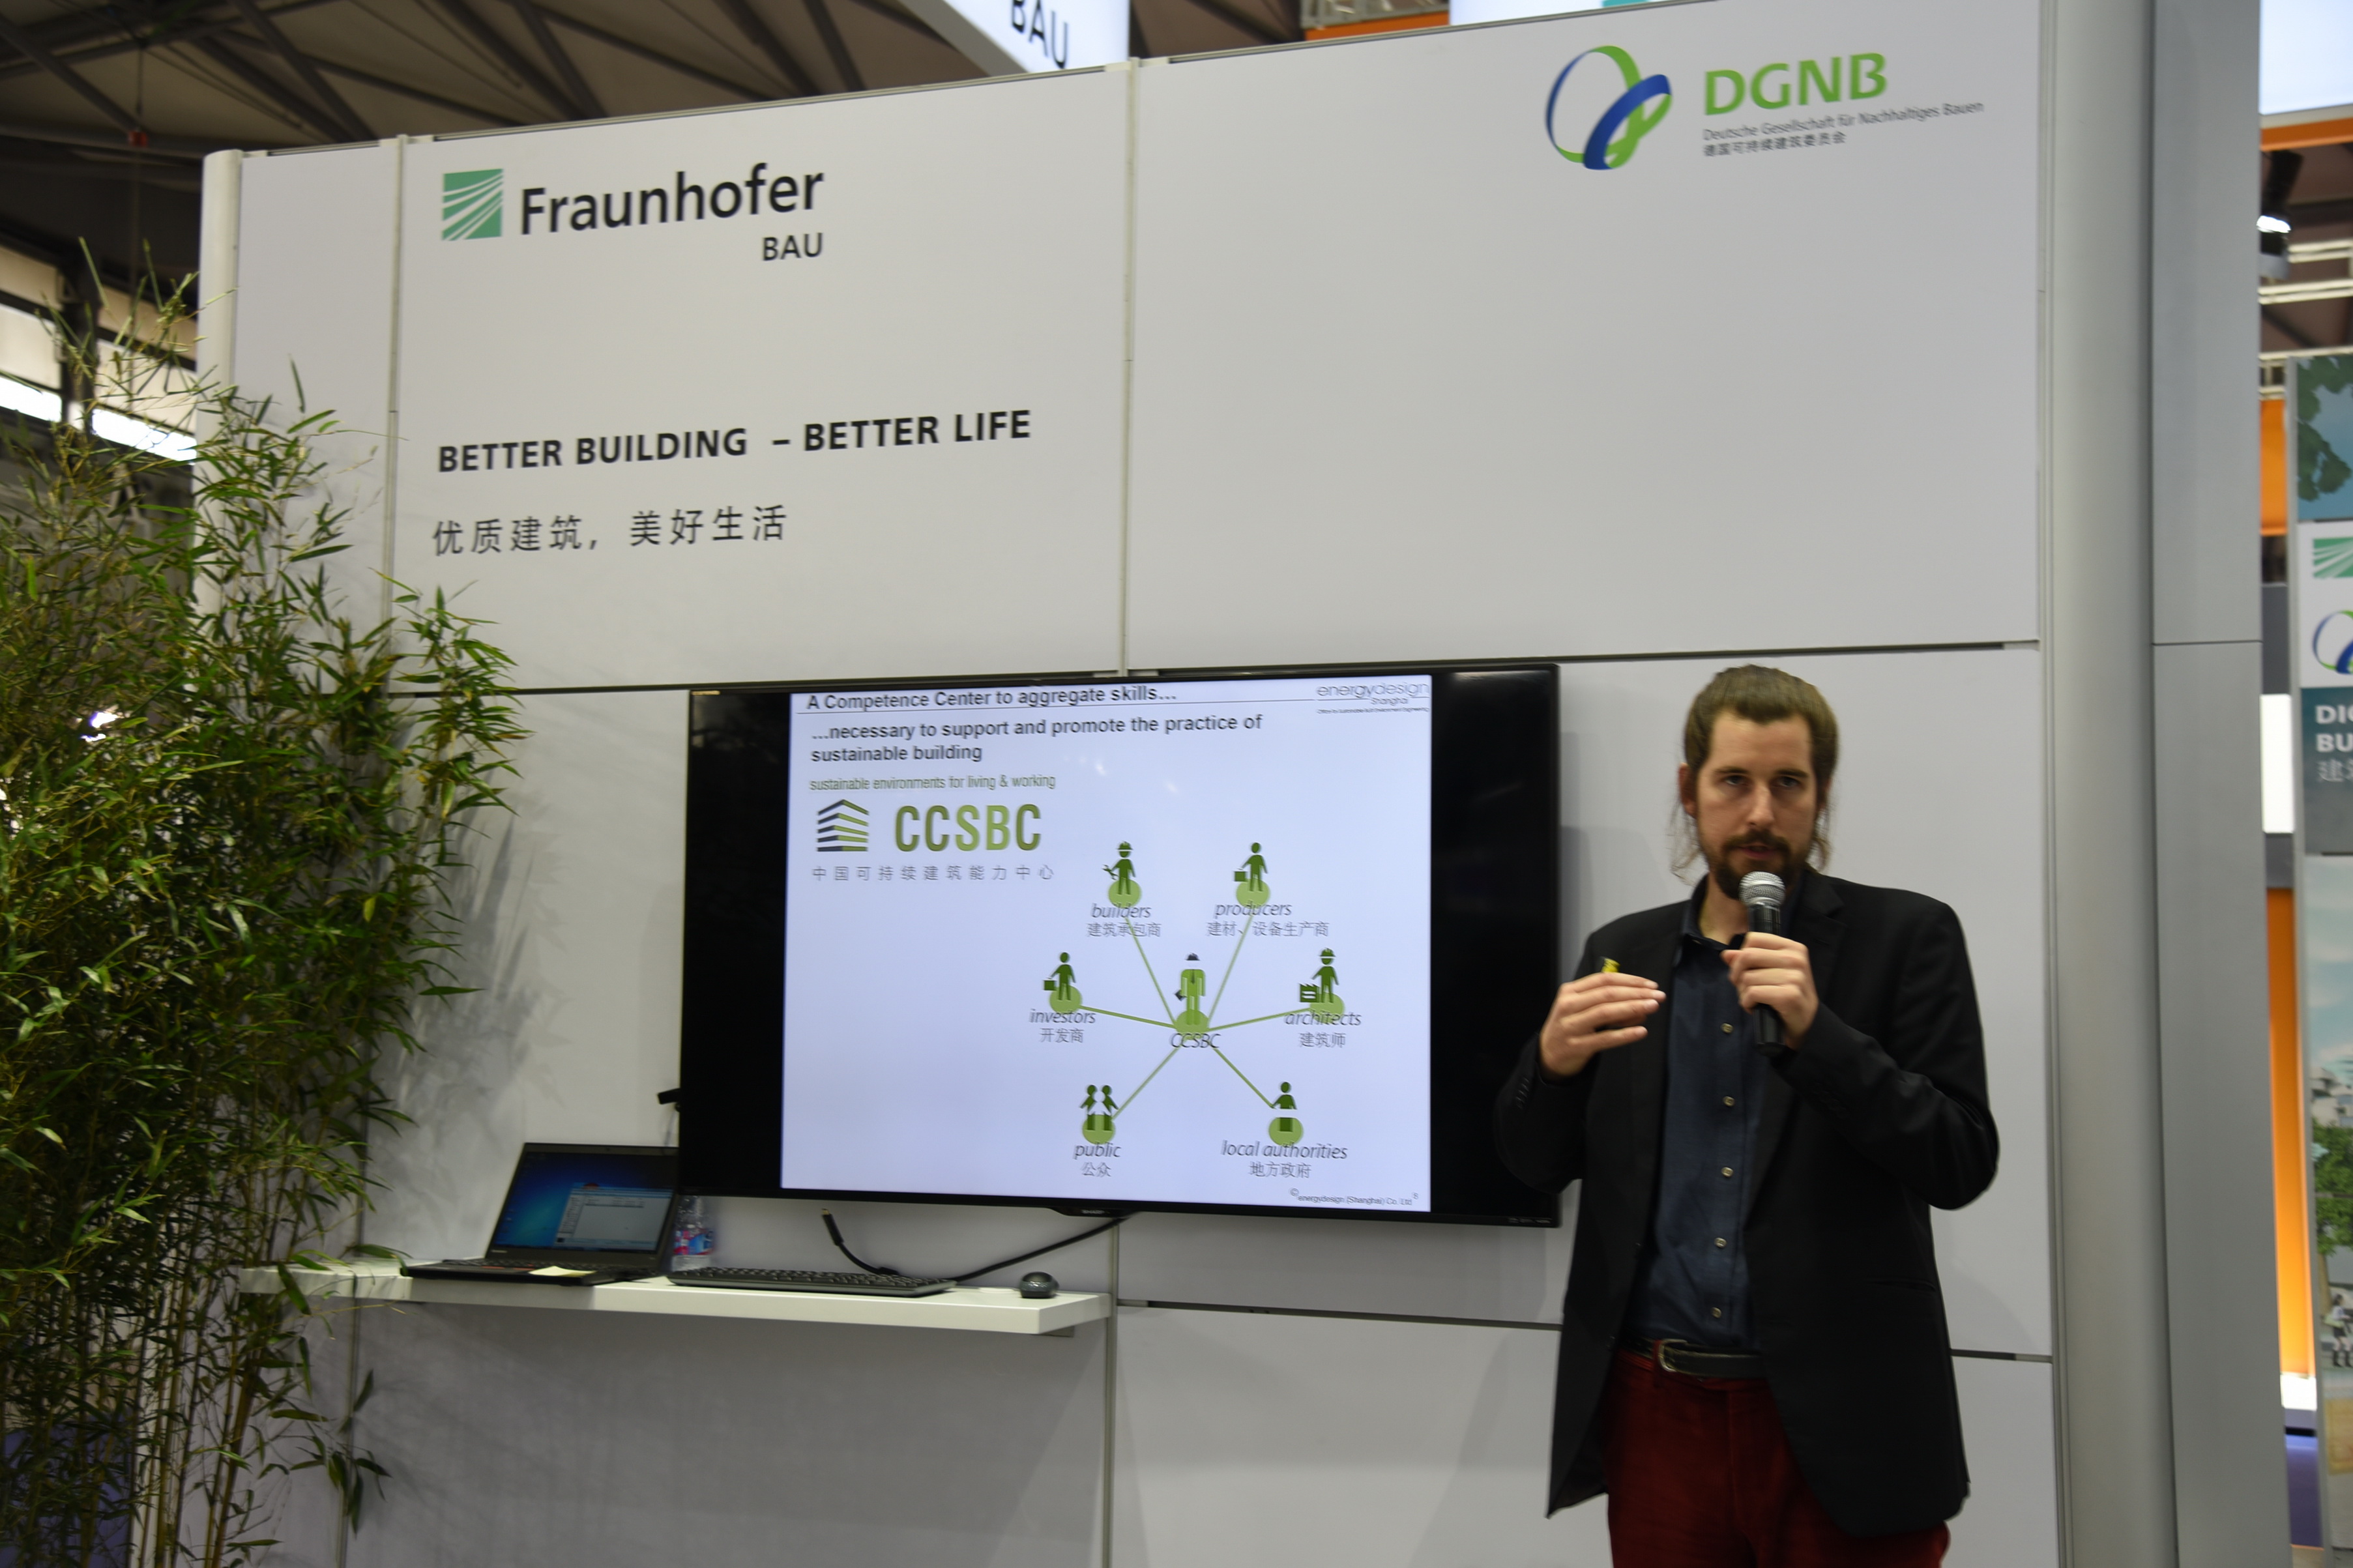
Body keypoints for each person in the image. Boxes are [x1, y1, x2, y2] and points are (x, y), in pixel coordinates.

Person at [1494, 665, 1997, 1566]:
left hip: (1844, 1419)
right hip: (1658, 1409)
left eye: (1788, 783)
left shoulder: (1906, 938)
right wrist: (1552, 1065)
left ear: (1821, 795)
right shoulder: (1622, 951)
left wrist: (1820, 1036)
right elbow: (1533, 1164)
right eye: (1734, 781)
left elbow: (1959, 1159)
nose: (1760, 812)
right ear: (1689, 790)